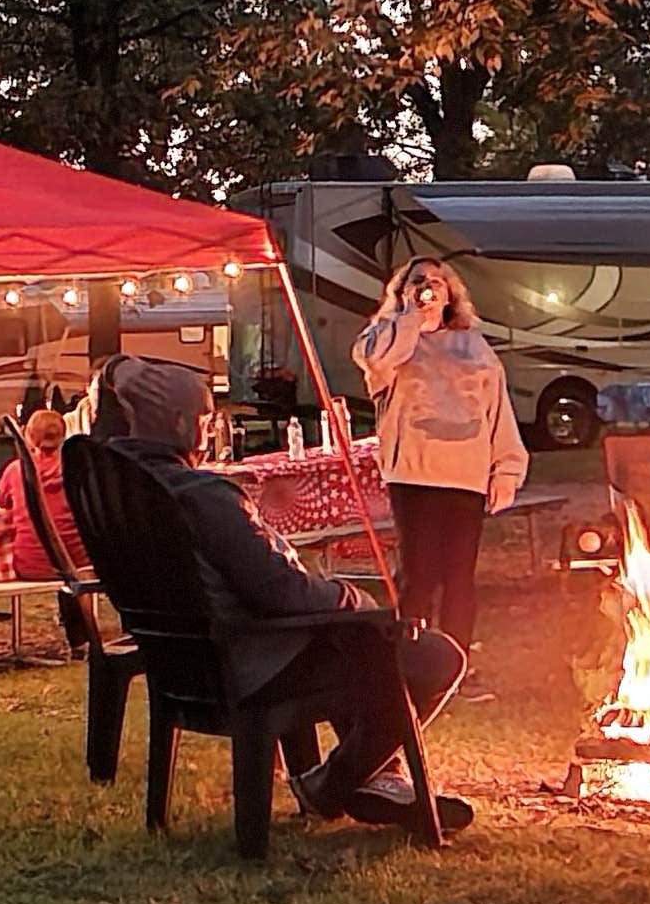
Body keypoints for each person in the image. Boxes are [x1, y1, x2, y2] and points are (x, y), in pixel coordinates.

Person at [90, 355, 471, 834]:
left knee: (358, 642)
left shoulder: (118, 485)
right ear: (181, 424)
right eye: (205, 421)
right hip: (254, 662)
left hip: (183, 666)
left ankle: (374, 781)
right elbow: (282, 595)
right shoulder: (201, 495)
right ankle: (334, 783)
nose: (207, 433)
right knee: (431, 655)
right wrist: (350, 598)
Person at [352, 257, 526, 650]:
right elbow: (375, 360)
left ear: (451, 293)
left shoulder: (473, 345)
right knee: (418, 574)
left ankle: (455, 660)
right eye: (418, 281)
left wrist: (507, 470)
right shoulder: (387, 335)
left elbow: (496, 408)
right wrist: (411, 317)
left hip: (465, 475)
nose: (429, 287)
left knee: (459, 577)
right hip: (414, 474)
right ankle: (411, 658)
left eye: (437, 282)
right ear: (402, 291)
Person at [0, 408, 89, 582]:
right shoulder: (78, 468)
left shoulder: (16, 470)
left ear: (28, 435)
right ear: (63, 435)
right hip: (79, 564)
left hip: (31, 565)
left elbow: (3, 501)